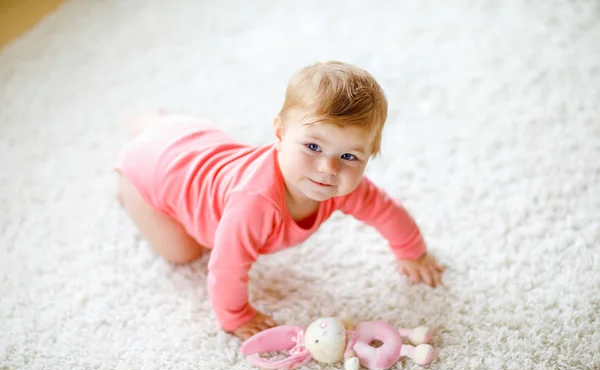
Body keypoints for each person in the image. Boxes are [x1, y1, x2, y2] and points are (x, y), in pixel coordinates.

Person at [115, 61, 445, 340]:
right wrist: (236, 316)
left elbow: (385, 211)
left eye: (348, 156)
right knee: (184, 252)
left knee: (184, 139)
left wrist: (412, 253)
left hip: (191, 141)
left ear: (370, 156)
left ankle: (159, 124)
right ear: (279, 133)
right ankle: (130, 178)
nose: (328, 169)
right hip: (153, 173)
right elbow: (226, 265)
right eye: (313, 147)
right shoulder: (254, 203)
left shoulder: (342, 185)